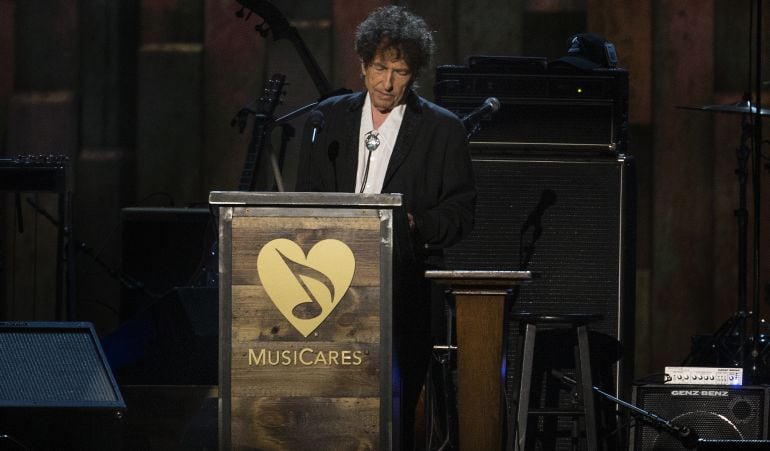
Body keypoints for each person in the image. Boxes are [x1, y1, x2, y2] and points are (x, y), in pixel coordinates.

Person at [296, 5, 476, 449]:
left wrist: (414, 224)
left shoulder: (442, 129)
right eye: (379, 68)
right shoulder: (327, 119)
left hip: (403, 286)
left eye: (399, 71)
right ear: (361, 66)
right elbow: (302, 202)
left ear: (414, 75)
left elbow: (461, 213)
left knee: (394, 415)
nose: (387, 82)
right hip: (325, 287)